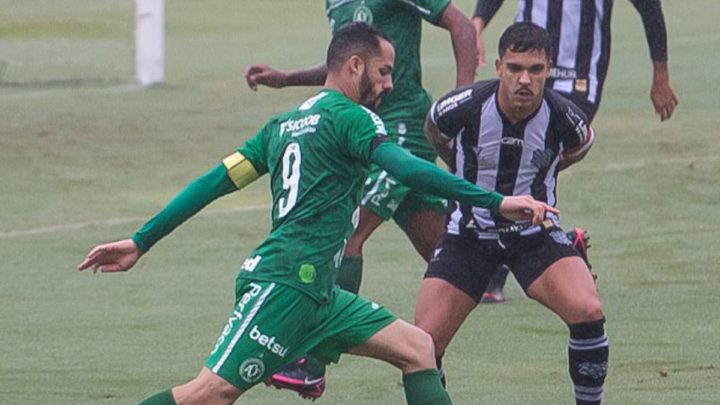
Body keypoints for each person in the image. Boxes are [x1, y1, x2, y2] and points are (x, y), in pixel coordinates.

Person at [78, 22, 556, 405]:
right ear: (354, 66)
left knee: (419, 349)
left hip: (321, 293)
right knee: (207, 394)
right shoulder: (355, 119)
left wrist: (142, 240)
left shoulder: (280, 126)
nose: (389, 84)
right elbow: (408, 168)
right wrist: (495, 200)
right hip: (284, 285)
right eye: (385, 71)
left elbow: (212, 183)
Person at [244, 0, 478, 396]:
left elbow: (463, 28)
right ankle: (539, 249)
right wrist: (287, 80)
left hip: (402, 126)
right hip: (361, 131)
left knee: (350, 232)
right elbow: (348, 64)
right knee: (455, 252)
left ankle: (312, 363)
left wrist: (461, 105)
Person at [415, 22, 608, 404]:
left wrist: (544, 174)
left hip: (534, 237)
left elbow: (581, 145)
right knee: (421, 346)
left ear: (549, 69)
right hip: (467, 235)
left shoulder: (563, 116)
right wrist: (461, 170)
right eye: (515, 68)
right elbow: (434, 130)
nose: (525, 79)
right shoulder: (464, 106)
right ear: (499, 65)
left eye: (535, 70)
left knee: (588, 310)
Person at [473, 0, 679, 303]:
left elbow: (648, 6)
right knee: (512, 158)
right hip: (522, 71)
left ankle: (522, 257)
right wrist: (477, 23)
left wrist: (660, 73)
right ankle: (559, 249)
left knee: (534, 159)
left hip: (579, 79)